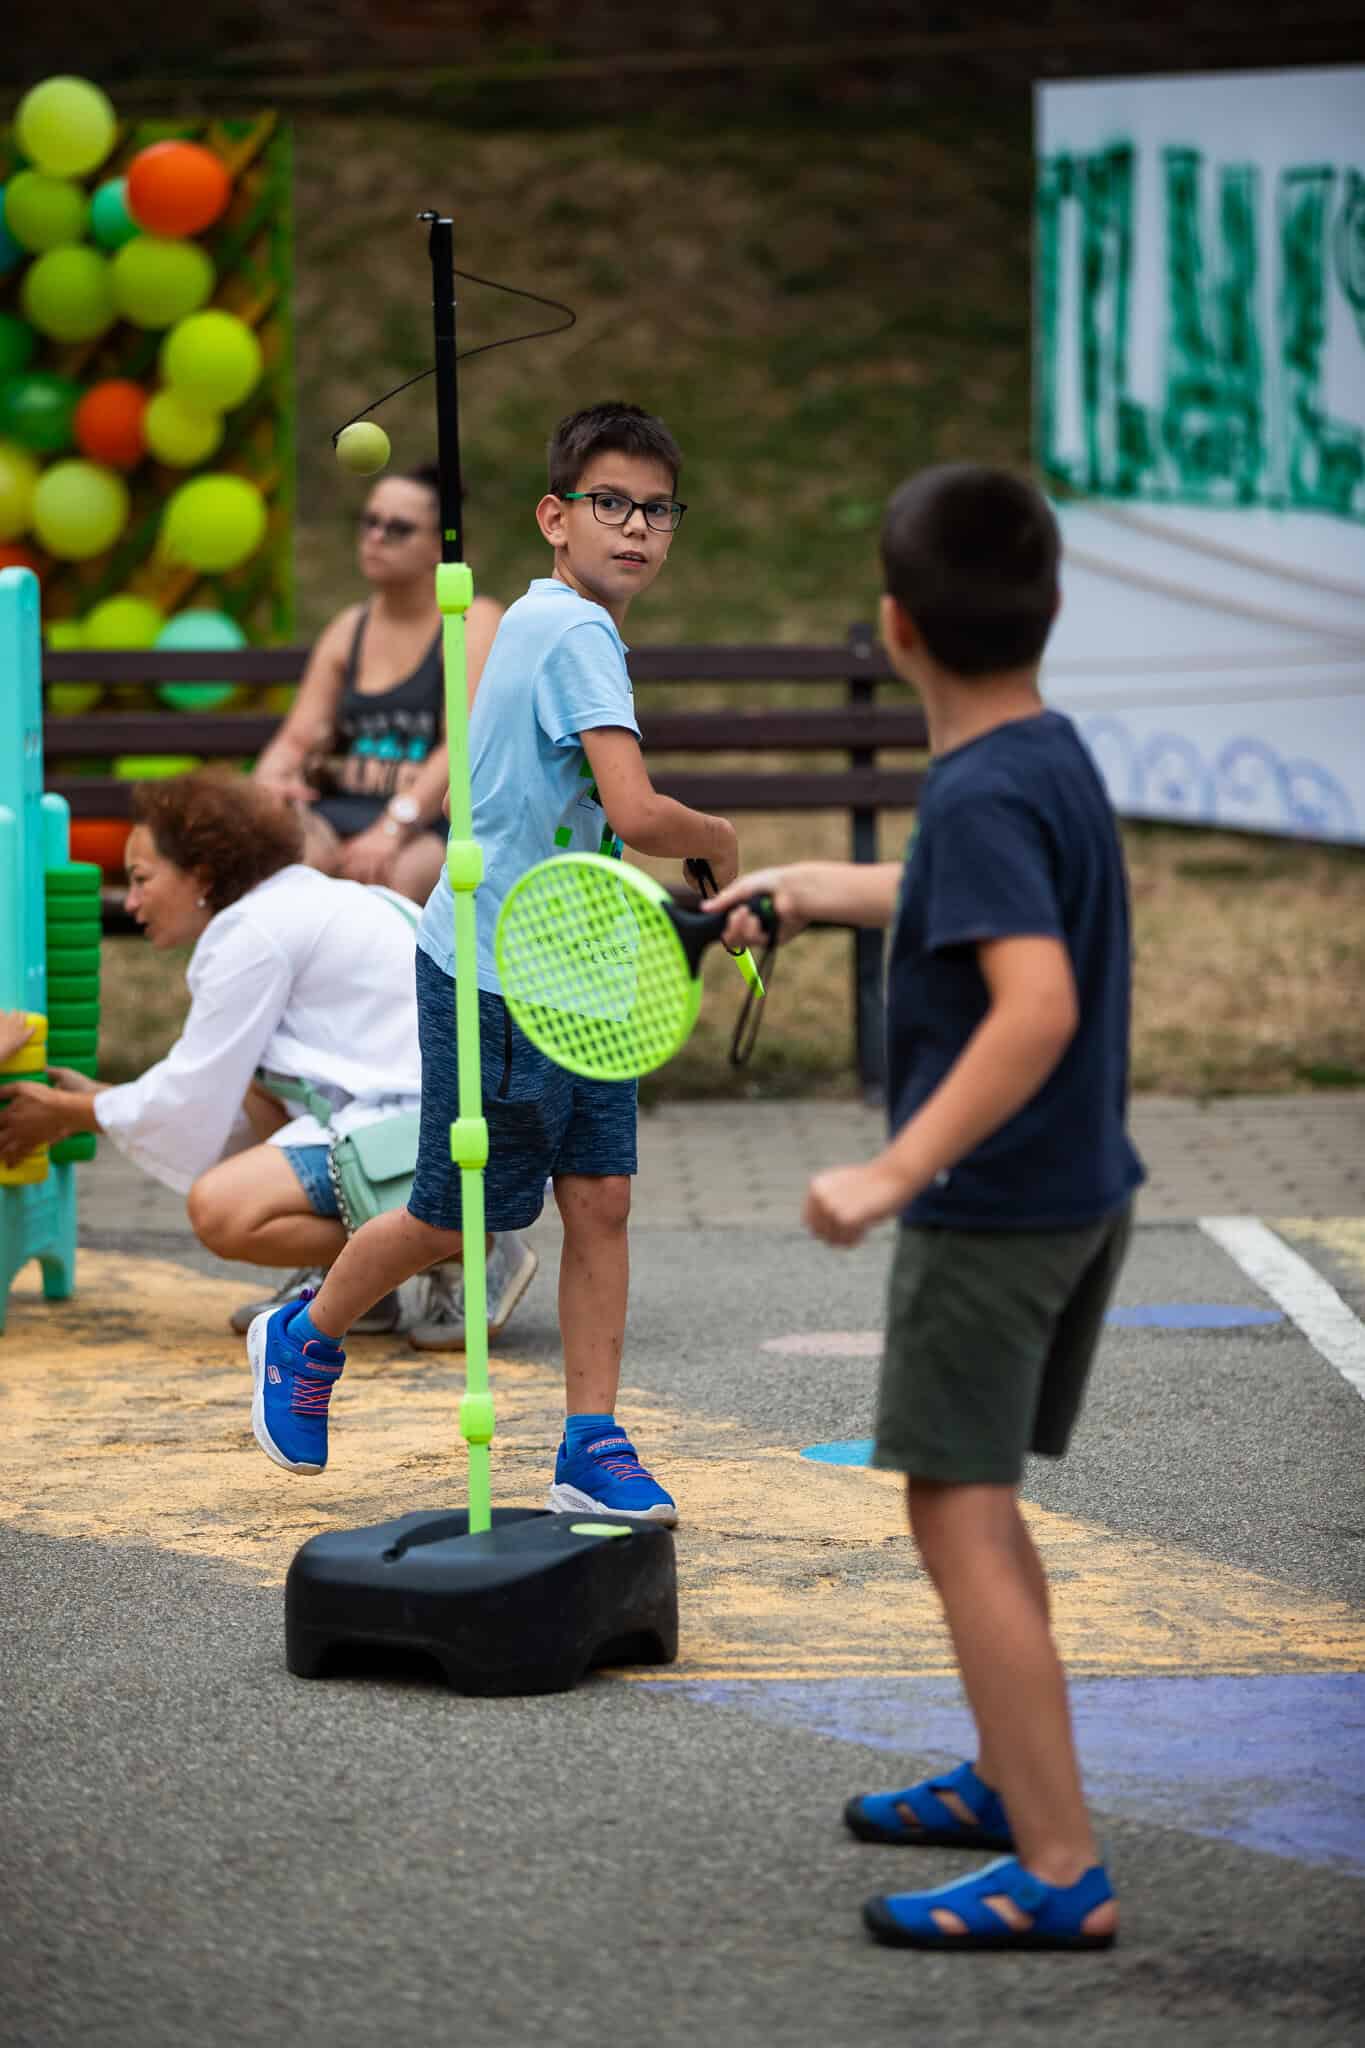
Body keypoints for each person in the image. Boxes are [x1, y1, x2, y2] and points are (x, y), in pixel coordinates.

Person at [710, 464, 1142, 1952]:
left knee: (952, 1505)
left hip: (992, 1212)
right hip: (1082, 1194)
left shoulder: (970, 795)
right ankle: (1009, 1771)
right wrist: (821, 887)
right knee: (978, 1503)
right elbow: (988, 901)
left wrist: (892, 1170)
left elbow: (1034, 998)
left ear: (892, 628)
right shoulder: (1047, 756)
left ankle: (1060, 1864)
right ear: (1053, 608)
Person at [245, 400, 740, 1520]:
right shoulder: (572, 634)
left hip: (580, 965)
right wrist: (717, 843)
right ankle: (304, 1332)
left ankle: (589, 1442)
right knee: (458, 1212)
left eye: (659, 511)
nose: (639, 529)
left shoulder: (547, 616)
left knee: (600, 1198)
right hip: (499, 970)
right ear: (555, 517)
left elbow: (573, 826)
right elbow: (633, 806)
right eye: (612, 503)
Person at [0, 774, 537, 1345]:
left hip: (434, 1129)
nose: (130, 902)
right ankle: (365, 1283)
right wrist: (94, 1101)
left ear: (202, 876)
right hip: (464, 1115)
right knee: (256, 1082)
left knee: (222, 1210)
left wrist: (68, 1111)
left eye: (141, 880)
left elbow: (187, 1096)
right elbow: (213, 1092)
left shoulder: (251, 931)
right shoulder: (302, 898)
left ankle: (465, 1241)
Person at [252, 463, 503, 904]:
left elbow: (462, 745)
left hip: (436, 820)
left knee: (388, 886)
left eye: (398, 528)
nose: (375, 537)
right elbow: (295, 739)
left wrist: (392, 827)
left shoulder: (471, 619)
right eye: (369, 521)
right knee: (287, 876)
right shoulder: (349, 627)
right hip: (344, 809)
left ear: (438, 547)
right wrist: (271, 782)